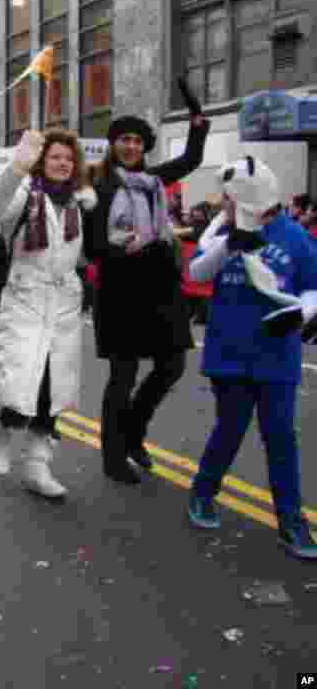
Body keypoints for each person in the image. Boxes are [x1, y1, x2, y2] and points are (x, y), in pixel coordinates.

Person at [185, 157, 317, 560]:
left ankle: (291, 520)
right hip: (230, 354)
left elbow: (312, 289)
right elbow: (197, 273)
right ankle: (203, 492)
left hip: (277, 356)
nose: (222, 203)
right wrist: (227, 245)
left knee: (281, 438)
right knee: (231, 428)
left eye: (228, 197)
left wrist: (300, 314)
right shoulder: (223, 231)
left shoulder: (295, 238)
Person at [83, 85, 211, 484]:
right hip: (120, 289)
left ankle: (134, 431)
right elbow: (92, 246)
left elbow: (191, 158)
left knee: (172, 365)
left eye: (137, 141)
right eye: (124, 139)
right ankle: (113, 456)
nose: (131, 146)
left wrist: (196, 119)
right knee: (122, 376)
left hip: (159, 287)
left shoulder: (153, 181)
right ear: (113, 144)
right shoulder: (97, 187)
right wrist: (127, 250)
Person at [0, 129, 98, 498]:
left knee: (52, 388)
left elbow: (81, 254)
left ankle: (38, 464)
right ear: (41, 160)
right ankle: (5, 425)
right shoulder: (22, 195)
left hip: (63, 301)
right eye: (55, 157)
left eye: (68, 158)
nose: (63, 164)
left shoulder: (81, 205)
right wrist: (16, 168)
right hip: (26, 297)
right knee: (19, 378)